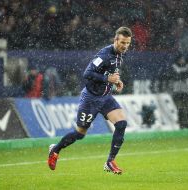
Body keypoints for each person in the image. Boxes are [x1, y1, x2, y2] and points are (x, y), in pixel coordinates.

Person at [47, 26, 132, 174]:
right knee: (80, 134)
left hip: (105, 97)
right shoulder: (104, 55)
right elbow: (87, 73)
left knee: (121, 124)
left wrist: (116, 81)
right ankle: (55, 149)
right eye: (122, 42)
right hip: (91, 99)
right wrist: (107, 78)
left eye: (127, 43)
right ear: (115, 40)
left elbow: (110, 72)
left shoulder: (119, 55)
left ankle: (110, 161)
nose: (125, 46)